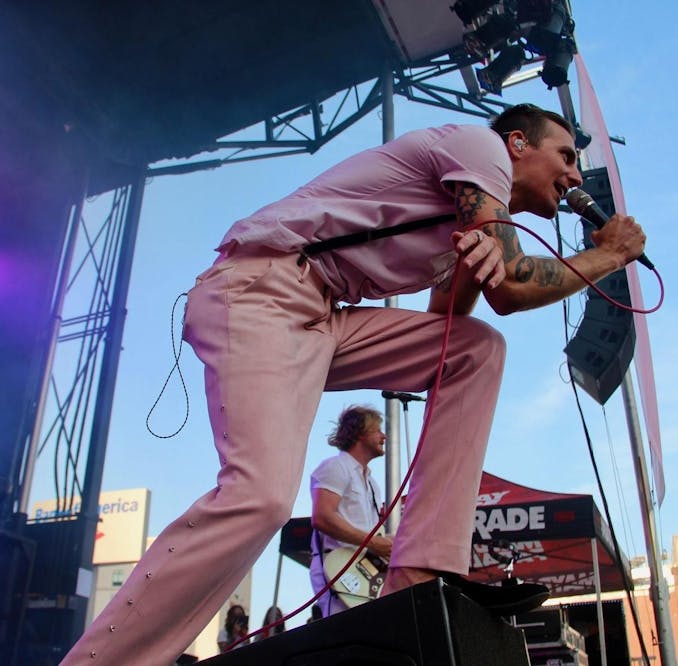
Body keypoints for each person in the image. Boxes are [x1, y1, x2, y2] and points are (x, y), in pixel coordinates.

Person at [60, 103, 646, 665]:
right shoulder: (482, 149)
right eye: (565, 155)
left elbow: (449, 325)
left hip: (322, 314)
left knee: (476, 350)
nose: (573, 174)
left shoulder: (484, 211)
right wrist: (611, 254)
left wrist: (477, 262)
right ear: (518, 144)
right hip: (264, 290)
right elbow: (514, 286)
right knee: (259, 498)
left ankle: (417, 572)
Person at [309, 405, 393, 616]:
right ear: (361, 433)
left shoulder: (372, 483)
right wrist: (374, 542)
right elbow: (322, 517)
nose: (384, 436)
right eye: (378, 430)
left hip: (363, 573)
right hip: (338, 571)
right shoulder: (335, 467)